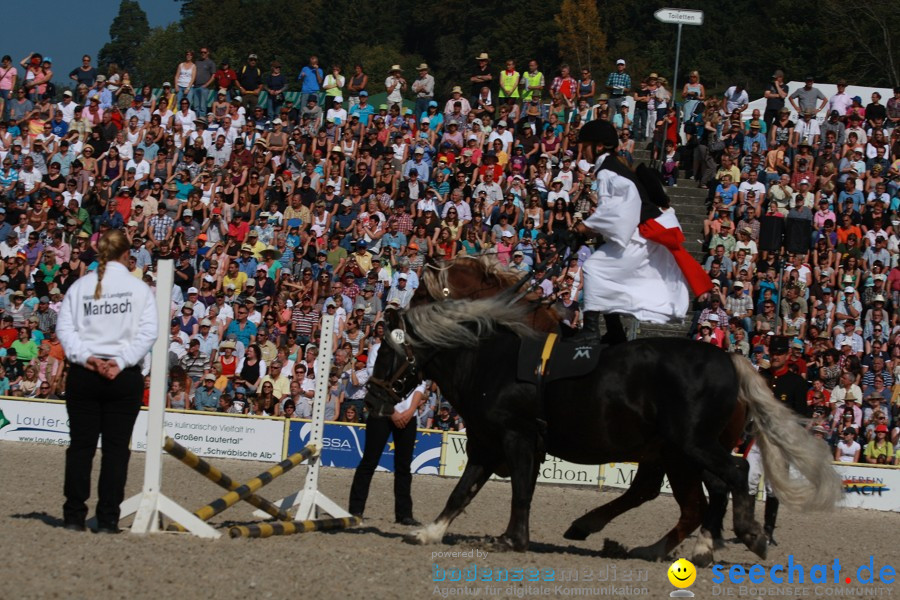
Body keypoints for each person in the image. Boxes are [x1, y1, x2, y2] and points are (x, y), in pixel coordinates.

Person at [55, 229, 158, 533]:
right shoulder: (138, 289)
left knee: (80, 447)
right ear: (127, 254)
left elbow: (65, 330)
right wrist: (120, 362)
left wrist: (88, 358)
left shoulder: (80, 286)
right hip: (122, 376)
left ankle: (74, 515)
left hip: (85, 373)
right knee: (116, 450)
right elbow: (148, 333)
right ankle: (108, 517)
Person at [572, 119, 708, 344]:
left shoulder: (607, 171)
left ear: (598, 146)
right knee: (605, 271)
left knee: (595, 268)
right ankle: (614, 331)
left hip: (641, 234)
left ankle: (591, 331)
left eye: (584, 145)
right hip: (642, 230)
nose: (582, 151)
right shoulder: (613, 166)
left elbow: (617, 208)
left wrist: (585, 227)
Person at [348, 370, 427, 526]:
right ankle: (355, 510)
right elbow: (375, 385)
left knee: (404, 466)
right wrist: (392, 412)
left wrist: (410, 411)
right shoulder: (382, 352)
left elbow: (420, 386)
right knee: (369, 462)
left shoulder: (417, 357)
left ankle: (404, 514)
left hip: (408, 415)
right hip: (381, 412)